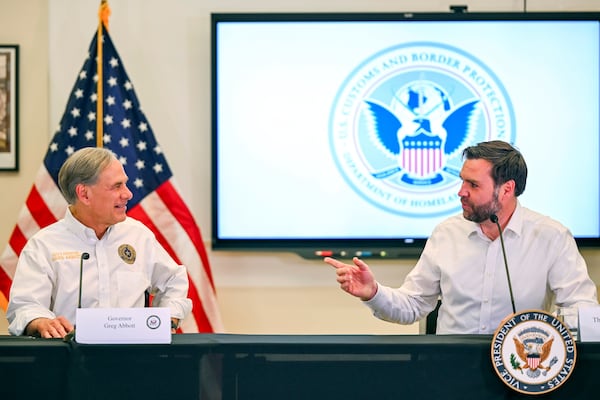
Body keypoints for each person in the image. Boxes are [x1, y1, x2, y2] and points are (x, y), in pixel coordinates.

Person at [325, 140, 598, 334]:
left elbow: (581, 309)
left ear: (506, 189)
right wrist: (373, 292)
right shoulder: (447, 234)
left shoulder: (551, 237)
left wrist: (545, 339)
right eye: (462, 181)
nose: (461, 192)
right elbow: (413, 304)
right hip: (450, 373)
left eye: (473, 185)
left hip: (522, 373)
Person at [6, 147, 192, 338]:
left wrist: (168, 317)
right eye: (117, 186)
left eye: (125, 184)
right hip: (70, 360)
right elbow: (25, 306)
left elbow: (173, 280)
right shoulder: (44, 245)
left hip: (134, 358)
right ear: (84, 194)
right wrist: (39, 321)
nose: (128, 194)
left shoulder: (138, 235)